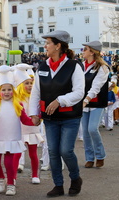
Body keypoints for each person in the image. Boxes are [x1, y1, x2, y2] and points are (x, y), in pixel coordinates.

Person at [29, 30, 84, 197]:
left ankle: (75, 179)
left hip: (70, 117)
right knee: (53, 151)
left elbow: (79, 92)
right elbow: (36, 92)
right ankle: (58, 185)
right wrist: (34, 113)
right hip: (50, 118)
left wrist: (60, 100)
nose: (45, 46)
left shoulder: (74, 66)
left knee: (66, 151)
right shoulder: (43, 66)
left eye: (48, 43)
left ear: (58, 45)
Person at [0, 65, 36, 196]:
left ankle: (11, 184)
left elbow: (25, 120)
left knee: (9, 163)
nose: (6, 92)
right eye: (4, 90)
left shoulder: (18, 104)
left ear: (13, 90)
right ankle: (1, 178)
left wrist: (34, 121)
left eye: (9, 89)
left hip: (13, 138)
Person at [13, 64, 44, 184]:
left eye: (31, 83)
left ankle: (35, 175)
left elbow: (40, 110)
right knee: (17, 154)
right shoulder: (17, 100)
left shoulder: (36, 98)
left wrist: (39, 118)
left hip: (32, 130)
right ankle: (13, 177)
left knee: (33, 154)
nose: (30, 86)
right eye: (26, 83)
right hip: (20, 129)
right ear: (20, 85)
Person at [81, 41, 109, 169]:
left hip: (97, 103)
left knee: (92, 129)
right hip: (83, 104)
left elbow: (96, 87)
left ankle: (100, 155)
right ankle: (89, 158)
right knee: (85, 132)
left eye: (85, 49)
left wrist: (86, 99)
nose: (83, 51)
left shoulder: (102, 68)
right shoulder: (81, 66)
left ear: (92, 52)